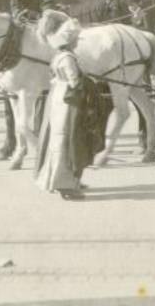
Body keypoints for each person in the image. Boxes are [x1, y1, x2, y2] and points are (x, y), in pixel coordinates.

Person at [34, 11, 110, 200]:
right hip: (69, 103)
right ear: (69, 41)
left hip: (58, 98)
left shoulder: (59, 56)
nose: (78, 41)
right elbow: (75, 82)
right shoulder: (68, 57)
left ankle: (65, 179)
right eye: (76, 39)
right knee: (70, 140)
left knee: (60, 140)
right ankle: (66, 184)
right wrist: (91, 83)